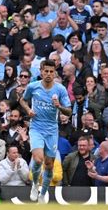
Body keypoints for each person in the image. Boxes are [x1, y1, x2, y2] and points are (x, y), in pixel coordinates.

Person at [19, 58, 71, 203]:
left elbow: (69, 112)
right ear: (41, 72)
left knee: (49, 165)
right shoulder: (33, 86)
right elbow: (23, 100)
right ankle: (35, 184)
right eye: (46, 71)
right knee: (37, 158)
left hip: (52, 130)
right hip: (36, 127)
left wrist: (59, 106)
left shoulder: (60, 89)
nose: (48, 74)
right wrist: (29, 110)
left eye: (51, 71)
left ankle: (43, 193)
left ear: (55, 73)